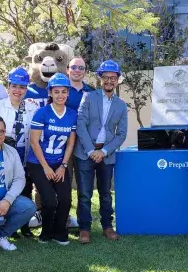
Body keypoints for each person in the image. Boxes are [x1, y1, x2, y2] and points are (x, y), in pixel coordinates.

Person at [74, 60, 127, 243]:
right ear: (100, 79)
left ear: (118, 80)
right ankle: (84, 229)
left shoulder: (121, 105)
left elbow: (121, 134)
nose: (109, 81)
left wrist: (104, 151)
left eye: (113, 78)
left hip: (107, 154)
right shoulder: (88, 97)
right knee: (84, 193)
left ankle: (107, 226)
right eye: (106, 78)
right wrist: (90, 150)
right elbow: (80, 124)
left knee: (105, 194)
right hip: (85, 153)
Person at [0, 67, 39, 237]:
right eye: (14, 86)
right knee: (6, 187)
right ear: (8, 86)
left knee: (25, 187)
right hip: (4, 154)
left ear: (26, 89)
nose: (18, 90)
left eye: (22, 87)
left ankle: (24, 225)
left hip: (26, 153)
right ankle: (9, 227)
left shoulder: (32, 107)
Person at [26, 73, 77, 245]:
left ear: (68, 93)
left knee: (65, 199)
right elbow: (34, 142)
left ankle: (59, 231)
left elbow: (70, 143)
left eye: (64, 91)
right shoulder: (42, 113)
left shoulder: (71, 114)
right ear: (50, 92)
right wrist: (46, 167)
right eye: (56, 91)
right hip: (38, 163)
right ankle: (46, 232)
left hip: (59, 162)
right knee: (49, 200)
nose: (60, 95)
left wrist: (63, 165)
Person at [0, 115, 36, 255]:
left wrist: (7, 200)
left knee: (28, 207)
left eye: (0, 131)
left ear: (4, 133)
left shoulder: (11, 152)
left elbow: (19, 178)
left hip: (0, 204)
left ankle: (1, 235)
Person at [65, 57, 95, 228]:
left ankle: (84, 223)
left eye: (81, 67)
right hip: (64, 145)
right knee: (64, 185)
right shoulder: (60, 89)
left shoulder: (92, 92)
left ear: (85, 71)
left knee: (84, 187)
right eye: (74, 67)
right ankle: (65, 219)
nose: (77, 70)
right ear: (68, 69)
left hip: (85, 145)